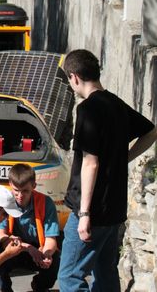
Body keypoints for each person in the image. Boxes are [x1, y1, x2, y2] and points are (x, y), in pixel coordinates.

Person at [58, 49, 157, 291]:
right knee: (105, 274)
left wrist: (83, 214)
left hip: (92, 211)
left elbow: (91, 162)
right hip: (113, 209)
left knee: (70, 277)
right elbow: (151, 131)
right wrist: (125, 157)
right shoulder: (115, 104)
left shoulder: (88, 109)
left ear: (74, 77)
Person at [0, 164, 60, 292]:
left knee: (56, 259)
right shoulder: (4, 202)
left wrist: (46, 254)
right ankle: (5, 289)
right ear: (10, 184)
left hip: (38, 250)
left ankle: (40, 286)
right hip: (13, 249)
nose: (20, 196)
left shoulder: (46, 203)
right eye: (16, 191)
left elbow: (51, 239)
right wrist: (28, 248)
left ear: (34, 186)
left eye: (25, 191)